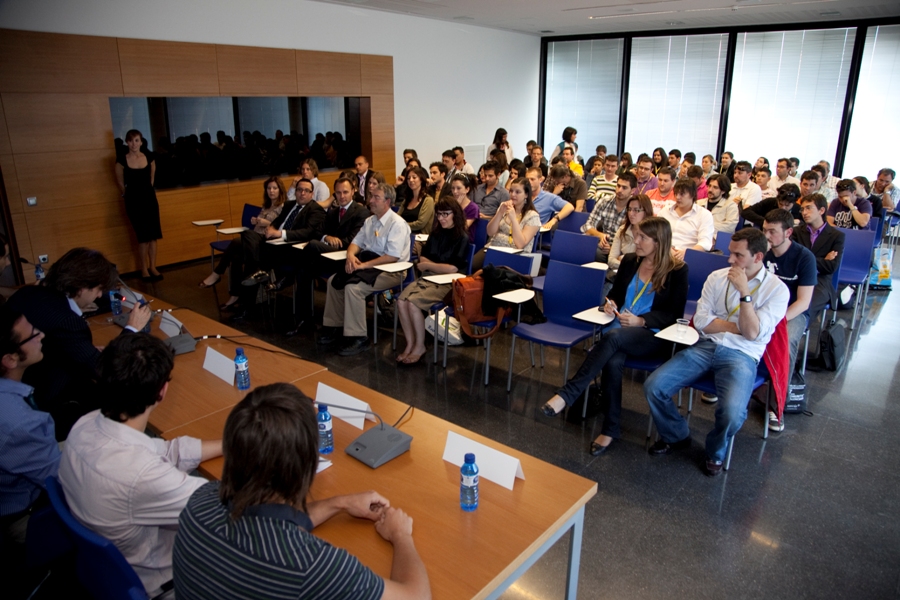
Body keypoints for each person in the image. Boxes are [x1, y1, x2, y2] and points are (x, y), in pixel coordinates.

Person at [172, 383, 431, 599]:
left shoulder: (200, 501)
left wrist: (339, 503)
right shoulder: (307, 564)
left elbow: (270, 517)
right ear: (305, 466)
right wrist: (400, 536)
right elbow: (416, 597)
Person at [59, 334, 223, 597]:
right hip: (168, 581)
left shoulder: (85, 425)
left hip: (109, 569)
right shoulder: (142, 475)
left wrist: (231, 443)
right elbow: (225, 508)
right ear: (162, 391)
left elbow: (166, 451)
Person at [644, 227, 789, 477]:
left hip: (742, 355)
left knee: (732, 414)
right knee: (654, 386)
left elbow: (753, 334)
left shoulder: (777, 290)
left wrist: (744, 293)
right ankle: (676, 435)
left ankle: (715, 451)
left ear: (758, 257)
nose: (730, 260)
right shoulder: (717, 277)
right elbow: (701, 321)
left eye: (738, 255)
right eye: (730, 252)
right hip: (706, 346)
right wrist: (737, 327)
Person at [541, 217, 688, 456]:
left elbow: (674, 314)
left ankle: (568, 393)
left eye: (642, 238)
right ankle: (610, 429)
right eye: (636, 235)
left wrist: (642, 320)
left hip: (652, 334)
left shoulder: (677, 270)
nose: (636, 241)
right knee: (613, 359)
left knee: (613, 339)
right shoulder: (630, 261)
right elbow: (617, 295)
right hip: (620, 328)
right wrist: (611, 304)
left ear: (658, 242)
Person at [6, 248, 151, 439]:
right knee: (128, 392)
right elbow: (104, 370)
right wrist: (132, 328)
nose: (99, 296)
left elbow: (54, 344)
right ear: (82, 287)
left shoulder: (28, 293)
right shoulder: (67, 321)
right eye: (98, 289)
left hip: (16, 385)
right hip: (49, 401)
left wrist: (83, 350)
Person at [319, 184, 411, 356]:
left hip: (391, 271)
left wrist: (362, 266)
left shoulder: (397, 224)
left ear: (387, 201)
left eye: (376, 197)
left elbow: (392, 257)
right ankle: (334, 326)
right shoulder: (370, 221)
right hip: (368, 265)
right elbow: (356, 243)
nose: (371, 201)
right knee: (333, 281)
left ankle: (359, 337)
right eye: (371, 196)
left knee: (354, 288)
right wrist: (350, 256)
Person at [0, 308, 57, 553]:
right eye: (33, 335)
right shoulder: (19, 423)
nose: (41, 335)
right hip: (26, 516)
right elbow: (64, 480)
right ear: (10, 359)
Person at [288, 177, 369, 333]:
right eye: (338, 193)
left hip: (346, 257)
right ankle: (304, 319)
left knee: (311, 246)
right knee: (304, 270)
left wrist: (332, 241)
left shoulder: (361, 212)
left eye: (345, 192)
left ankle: (287, 278)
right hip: (328, 257)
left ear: (353, 191)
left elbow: (353, 241)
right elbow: (318, 231)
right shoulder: (333, 212)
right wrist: (327, 237)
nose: (342, 196)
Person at [762, 208, 817, 432]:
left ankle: (777, 405)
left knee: (788, 339)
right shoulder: (761, 252)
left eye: (772, 232)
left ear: (788, 233)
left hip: (792, 312)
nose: (766, 236)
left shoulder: (804, 257)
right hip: (762, 307)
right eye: (764, 230)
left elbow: (803, 302)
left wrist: (777, 321)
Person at [396, 199, 469, 365]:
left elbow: (452, 269)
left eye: (445, 214)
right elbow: (423, 258)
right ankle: (410, 344)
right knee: (401, 301)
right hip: (429, 277)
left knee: (413, 304)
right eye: (439, 214)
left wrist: (430, 265)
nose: (441, 218)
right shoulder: (436, 233)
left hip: (448, 283)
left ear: (455, 214)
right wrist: (436, 266)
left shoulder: (462, 238)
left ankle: (420, 346)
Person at [199, 176, 286, 310]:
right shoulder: (266, 206)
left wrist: (265, 222)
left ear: (280, 190)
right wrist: (256, 221)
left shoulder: (283, 207)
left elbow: (281, 227)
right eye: (269, 188)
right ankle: (234, 296)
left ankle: (217, 274)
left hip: (265, 243)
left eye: (275, 188)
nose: (271, 191)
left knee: (238, 240)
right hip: (253, 242)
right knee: (236, 257)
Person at [115, 129, 163, 281]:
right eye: (130, 141)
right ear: (127, 142)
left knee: (153, 236)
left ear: (141, 142)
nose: (134, 144)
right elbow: (120, 183)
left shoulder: (149, 157)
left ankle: (153, 267)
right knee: (143, 237)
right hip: (133, 201)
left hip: (149, 199)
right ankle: (144, 269)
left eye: (136, 140)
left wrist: (146, 191)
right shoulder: (121, 160)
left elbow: (151, 179)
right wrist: (128, 195)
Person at [470, 177, 541, 272]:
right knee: (472, 265)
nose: (513, 194)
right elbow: (490, 232)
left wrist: (513, 219)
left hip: (514, 255)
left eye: (517, 192)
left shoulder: (533, 216)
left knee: (490, 272)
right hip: (494, 248)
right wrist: (500, 213)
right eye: (511, 191)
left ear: (526, 195)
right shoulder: (505, 207)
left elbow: (520, 244)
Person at [793, 193, 845, 317]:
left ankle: (797, 327)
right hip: (796, 277)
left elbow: (831, 267)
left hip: (820, 281)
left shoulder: (836, 236)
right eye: (802, 209)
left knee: (804, 309)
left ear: (821, 210)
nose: (804, 213)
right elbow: (792, 259)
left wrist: (805, 260)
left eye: (808, 208)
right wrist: (823, 260)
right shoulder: (796, 232)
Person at [583, 172, 634, 262]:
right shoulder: (604, 201)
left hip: (621, 250)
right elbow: (588, 226)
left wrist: (613, 249)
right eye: (618, 186)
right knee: (585, 246)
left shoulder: (635, 209)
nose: (619, 190)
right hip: (602, 246)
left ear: (632, 191)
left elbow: (633, 240)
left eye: (624, 188)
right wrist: (600, 236)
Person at [659, 178, 715, 259]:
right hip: (664, 253)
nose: (677, 197)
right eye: (676, 193)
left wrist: (687, 252)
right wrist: (668, 249)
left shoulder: (704, 215)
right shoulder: (665, 211)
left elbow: (705, 243)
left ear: (692, 195)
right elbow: (656, 235)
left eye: (682, 194)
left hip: (689, 255)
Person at [607, 194, 654, 272]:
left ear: (646, 211)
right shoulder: (622, 230)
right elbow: (611, 260)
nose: (631, 213)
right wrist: (625, 263)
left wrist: (623, 260)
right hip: (622, 273)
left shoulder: (653, 233)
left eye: (636, 210)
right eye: (629, 209)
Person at [397, 166, 434, 234]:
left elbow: (420, 223)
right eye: (408, 178)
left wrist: (402, 225)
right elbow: (397, 217)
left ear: (421, 180)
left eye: (414, 177)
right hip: (403, 233)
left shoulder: (428, 200)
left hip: (419, 236)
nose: (411, 180)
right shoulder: (407, 200)